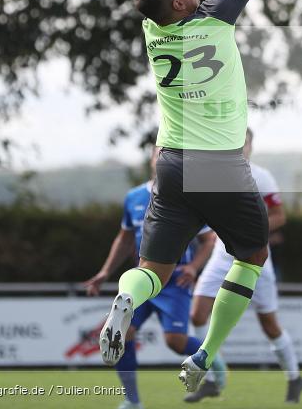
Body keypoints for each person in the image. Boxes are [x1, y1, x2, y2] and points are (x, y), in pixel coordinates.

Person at [99, 0, 282, 396]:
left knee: (151, 269)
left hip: (171, 165)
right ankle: (206, 354)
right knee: (252, 257)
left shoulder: (157, 29)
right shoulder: (215, 18)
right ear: (181, 4)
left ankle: (126, 297)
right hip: (219, 165)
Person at [84, 148, 213, 409]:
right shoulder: (134, 198)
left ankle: (213, 357)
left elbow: (209, 239)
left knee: (175, 342)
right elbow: (124, 238)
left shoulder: (189, 197)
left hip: (176, 280)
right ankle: (133, 401)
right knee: (125, 333)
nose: (163, 160)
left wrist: (194, 267)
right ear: (152, 160)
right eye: (160, 155)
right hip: (142, 279)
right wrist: (105, 272)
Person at [185, 128, 302, 403]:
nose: (239, 147)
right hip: (221, 255)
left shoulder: (261, 177)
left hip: (254, 257)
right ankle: (213, 377)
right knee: (197, 315)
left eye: (245, 142)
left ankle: (294, 377)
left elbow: (279, 216)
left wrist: (251, 229)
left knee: (270, 325)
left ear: (251, 146)